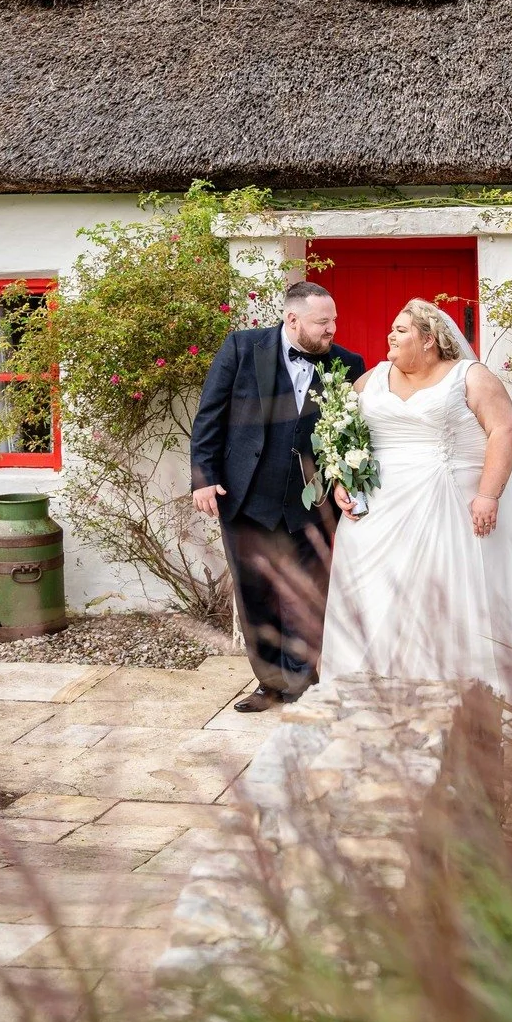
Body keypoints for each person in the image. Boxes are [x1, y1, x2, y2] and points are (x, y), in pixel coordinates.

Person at [319, 299, 512, 709]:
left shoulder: (470, 377)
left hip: (449, 509)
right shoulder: (371, 380)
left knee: (441, 594)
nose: (390, 335)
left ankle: (455, 692)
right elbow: (343, 433)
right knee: (374, 595)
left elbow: (505, 428)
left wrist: (488, 494)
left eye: (401, 329)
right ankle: (368, 690)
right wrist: (340, 478)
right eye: (391, 328)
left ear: (429, 340)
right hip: (376, 516)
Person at [190, 281, 366, 712]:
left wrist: (346, 481)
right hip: (245, 496)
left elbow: (352, 436)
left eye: (334, 320)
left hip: (314, 504)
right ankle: (269, 684)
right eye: (323, 322)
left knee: (308, 596)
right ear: (292, 319)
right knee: (257, 594)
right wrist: (203, 477)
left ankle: (302, 685)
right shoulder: (241, 347)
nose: (332, 329)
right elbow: (210, 413)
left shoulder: (348, 363)